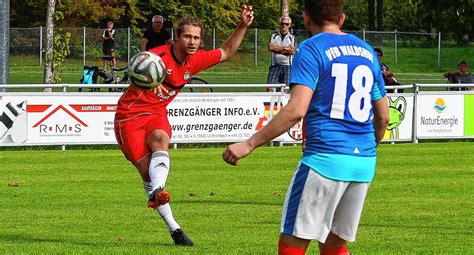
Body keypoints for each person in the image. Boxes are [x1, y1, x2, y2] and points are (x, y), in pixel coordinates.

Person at [222, 0, 389, 254]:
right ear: (342, 18)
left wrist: (249, 143)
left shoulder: (310, 49)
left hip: (324, 159)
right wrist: (367, 146)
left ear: (306, 18)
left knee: (293, 241)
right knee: (334, 243)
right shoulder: (367, 51)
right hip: (363, 163)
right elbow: (383, 117)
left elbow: (296, 110)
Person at [114, 5, 254, 246]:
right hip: (129, 118)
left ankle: (159, 191)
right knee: (147, 174)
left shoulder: (196, 59)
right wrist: (149, 79)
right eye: (188, 36)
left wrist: (242, 25)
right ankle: (175, 229)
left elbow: (226, 51)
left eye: (197, 37)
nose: (192, 42)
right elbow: (137, 64)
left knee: (160, 139)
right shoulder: (158, 56)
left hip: (156, 113)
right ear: (176, 37)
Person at [267, 16, 296, 91]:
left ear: (289, 25)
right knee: (270, 88)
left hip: (287, 66)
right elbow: (271, 48)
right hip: (274, 65)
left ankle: (282, 103)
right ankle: (271, 102)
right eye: (282, 24)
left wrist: (277, 49)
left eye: (286, 24)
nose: (284, 26)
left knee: (285, 89)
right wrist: (284, 48)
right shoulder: (274, 35)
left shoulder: (292, 37)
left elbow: (292, 51)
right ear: (279, 24)